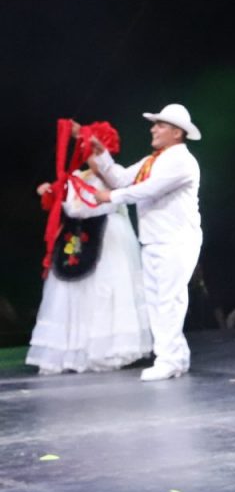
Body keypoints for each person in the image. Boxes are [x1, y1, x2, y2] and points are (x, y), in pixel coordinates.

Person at [86, 103, 203, 381]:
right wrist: (102, 156)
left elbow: (148, 189)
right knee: (157, 301)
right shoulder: (153, 160)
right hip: (153, 239)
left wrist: (110, 198)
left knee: (168, 301)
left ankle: (168, 359)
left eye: (160, 125)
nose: (153, 129)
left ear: (177, 132)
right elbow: (121, 179)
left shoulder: (182, 161)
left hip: (175, 239)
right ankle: (175, 356)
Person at [27, 122, 152, 374]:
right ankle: (74, 349)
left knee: (105, 290)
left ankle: (106, 349)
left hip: (107, 237)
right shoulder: (77, 176)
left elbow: (110, 196)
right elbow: (69, 203)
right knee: (74, 293)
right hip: (78, 234)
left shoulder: (114, 175)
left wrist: (97, 174)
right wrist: (51, 193)